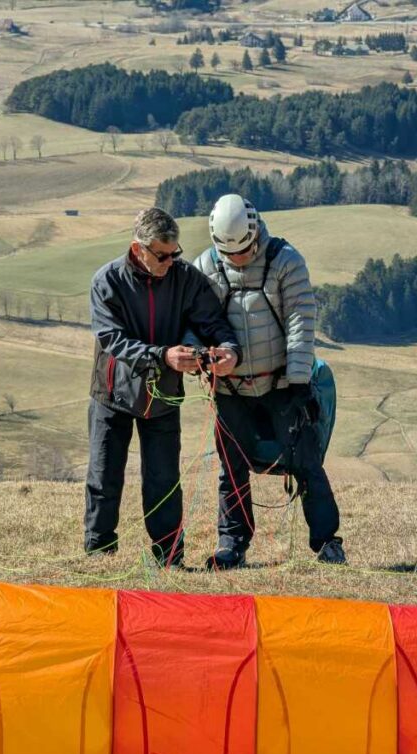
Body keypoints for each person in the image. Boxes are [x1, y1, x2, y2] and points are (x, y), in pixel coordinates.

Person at [191, 194, 346, 569]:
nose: (238, 259)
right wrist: (202, 357)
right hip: (230, 390)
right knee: (232, 469)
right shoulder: (205, 268)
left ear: (255, 231)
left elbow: (300, 321)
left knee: (306, 462)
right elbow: (195, 323)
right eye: (230, 255)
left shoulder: (285, 261)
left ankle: (327, 542)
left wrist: (297, 381)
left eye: (244, 251)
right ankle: (232, 545)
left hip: (281, 386)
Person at [85, 207, 241, 567]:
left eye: (176, 253)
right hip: (113, 393)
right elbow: (112, 339)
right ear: (138, 249)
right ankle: (98, 552)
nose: (171, 261)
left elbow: (212, 322)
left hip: (164, 397)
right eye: (163, 255)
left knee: (164, 480)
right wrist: (162, 356)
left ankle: (169, 556)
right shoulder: (106, 281)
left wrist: (229, 351)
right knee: (104, 475)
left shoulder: (186, 279)